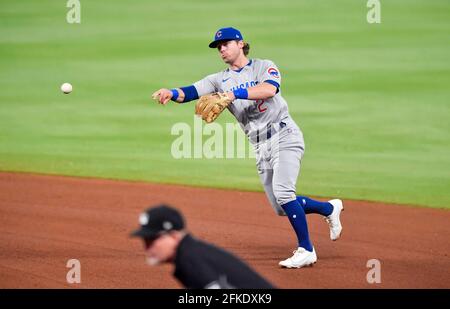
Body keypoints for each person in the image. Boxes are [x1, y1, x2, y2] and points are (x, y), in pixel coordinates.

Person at [152, 27, 344, 268]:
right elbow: (191, 92)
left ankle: (306, 249)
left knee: (285, 193)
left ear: (241, 44)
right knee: (281, 207)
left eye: (226, 43)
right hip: (260, 145)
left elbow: (269, 89)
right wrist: (170, 92)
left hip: (285, 135)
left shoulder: (263, 66)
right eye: (218, 46)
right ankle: (329, 208)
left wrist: (232, 94)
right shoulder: (217, 79)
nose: (222, 48)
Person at [131, 204, 275, 288]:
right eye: (145, 241)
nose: (147, 248)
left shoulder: (190, 262)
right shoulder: (191, 252)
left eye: (152, 240)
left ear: (174, 236)